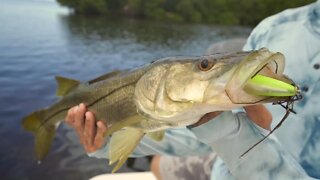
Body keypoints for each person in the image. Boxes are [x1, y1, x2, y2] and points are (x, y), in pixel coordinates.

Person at [65, 1, 320, 179]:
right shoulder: (274, 27)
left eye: (205, 65)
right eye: (205, 65)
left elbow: (224, 133)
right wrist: (104, 141)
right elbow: (197, 132)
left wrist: (228, 132)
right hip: (221, 167)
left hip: (234, 159)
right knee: (157, 166)